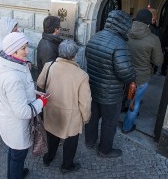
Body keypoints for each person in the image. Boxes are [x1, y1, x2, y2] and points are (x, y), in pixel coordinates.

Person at [0, 32, 46, 179]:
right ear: (12, 51)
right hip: (16, 125)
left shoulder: (9, 64)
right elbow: (23, 112)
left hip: (9, 119)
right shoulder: (12, 77)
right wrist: (42, 102)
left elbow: (20, 91)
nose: (27, 51)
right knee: (18, 155)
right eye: (23, 48)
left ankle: (13, 174)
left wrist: (34, 93)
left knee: (13, 152)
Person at [85, 10, 136, 158]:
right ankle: (105, 150)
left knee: (92, 118)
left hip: (93, 87)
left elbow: (88, 57)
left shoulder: (95, 37)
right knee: (109, 123)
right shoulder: (120, 45)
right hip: (111, 94)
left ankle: (89, 141)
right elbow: (126, 73)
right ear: (123, 25)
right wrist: (134, 75)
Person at [37, 39, 91, 174]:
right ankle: (67, 166)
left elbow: (40, 83)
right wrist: (86, 117)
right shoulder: (82, 75)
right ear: (74, 55)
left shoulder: (49, 66)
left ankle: (48, 158)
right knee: (71, 141)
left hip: (52, 110)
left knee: (52, 135)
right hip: (71, 115)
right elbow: (85, 101)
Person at [122, 9, 163, 133]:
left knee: (123, 95)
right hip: (141, 77)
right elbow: (158, 61)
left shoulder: (125, 32)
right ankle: (127, 127)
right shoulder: (153, 39)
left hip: (124, 72)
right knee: (135, 103)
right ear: (149, 22)